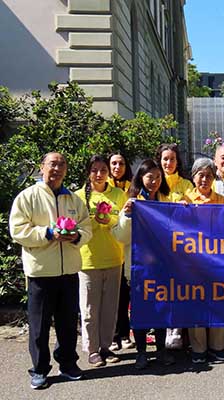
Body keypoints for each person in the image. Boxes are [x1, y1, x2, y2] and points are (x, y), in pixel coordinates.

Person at [9, 152, 92, 389]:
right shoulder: (27, 197)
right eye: (52, 164)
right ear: (42, 167)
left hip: (69, 272)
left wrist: (77, 235)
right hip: (41, 273)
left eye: (61, 165)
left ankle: (67, 364)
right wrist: (47, 233)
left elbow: (86, 227)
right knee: (39, 326)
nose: (57, 169)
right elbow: (18, 230)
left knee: (67, 323)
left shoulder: (73, 200)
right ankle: (39, 369)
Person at [113, 159, 184, 370]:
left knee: (161, 309)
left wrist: (183, 210)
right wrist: (126, 215)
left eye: (158, 177)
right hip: (138, 269)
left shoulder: (165, 201)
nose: (154, 181)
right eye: (149, 177)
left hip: (162, 267)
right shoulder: (132, 202)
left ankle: (161, 351)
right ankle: (142, 353)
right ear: (140, 178)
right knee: (140, 311)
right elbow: (121, 236)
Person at [75, 155, 128, 366]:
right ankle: (92, 349)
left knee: (109, 308)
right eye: (95, 170)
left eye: (103, 170)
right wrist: (93, 222)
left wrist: (109, 220)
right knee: (89, 310)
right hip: (88, 260)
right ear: (88, 172)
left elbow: (124, 223)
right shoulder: (78, 197)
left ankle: (106, 346)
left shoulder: (118, 194)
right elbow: (75, 225)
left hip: (115, 258)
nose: (99, 174)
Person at [184, 158, 224, 364]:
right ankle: (198, 349)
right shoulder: (185, 199)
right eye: (200, 175)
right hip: (193, 262)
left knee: (218, 302)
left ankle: (217, 347)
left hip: (216, 261)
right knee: (196, 303)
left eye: (209, 176)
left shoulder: (221, 200)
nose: (204, 179)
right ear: (193, 177)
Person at [156, 143, 193, 348]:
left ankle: (177, 331)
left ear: (177, 162)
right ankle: (163, 330)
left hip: (181, 246)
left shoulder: (186, 185)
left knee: (179, 289)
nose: (168, 163)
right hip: (159, 245)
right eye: (165, 159)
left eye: (172, 159)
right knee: (163, 288)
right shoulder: (154, 183)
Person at [107, 153, 135, 352]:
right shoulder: (104, 189)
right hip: (108, 248)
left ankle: (125, 333)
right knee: (113, 298)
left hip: (127, 249)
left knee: (125, 295)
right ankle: (114, 335)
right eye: (114, 164)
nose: (118, 167)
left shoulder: (131, 188)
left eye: (121, 163)